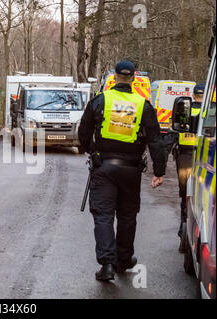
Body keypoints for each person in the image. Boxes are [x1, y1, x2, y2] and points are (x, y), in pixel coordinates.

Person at [78, 60, 166, 281]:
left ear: (114, 77)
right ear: (133, 78)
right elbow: (156, 141)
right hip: (131, 170)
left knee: (103, 215)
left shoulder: (101, 101)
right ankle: (123, 259)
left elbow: (83, 131)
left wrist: (93, 152)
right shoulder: (143, 105)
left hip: (104, 167)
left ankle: (107, 264)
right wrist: (159, 171)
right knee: (127, 216)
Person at [174, 83, 204, 241]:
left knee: (186, 193)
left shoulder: (185, 109)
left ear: (193, 95)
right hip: (205, 157)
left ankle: (184, 226)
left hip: (185, 156)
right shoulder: (210, 110)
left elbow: (175, 130)